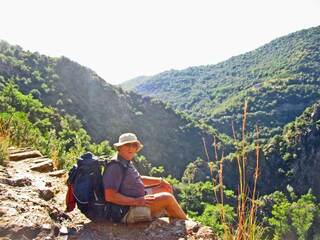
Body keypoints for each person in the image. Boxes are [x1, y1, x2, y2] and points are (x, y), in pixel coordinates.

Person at [103, 132, 187, 224]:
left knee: (165, 189)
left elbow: (139, 179)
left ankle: (172, 217)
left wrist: (161, 181)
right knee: (167, 198)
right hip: (126, 210)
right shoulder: (115, 166)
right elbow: (110, 196)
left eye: (134, 145)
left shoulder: (126, 161)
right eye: (127, 145)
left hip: (138, 199)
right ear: (119, 147)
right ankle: (188, 224)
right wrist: (137, 201)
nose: (131, 148)